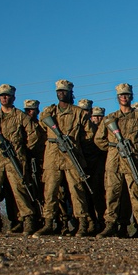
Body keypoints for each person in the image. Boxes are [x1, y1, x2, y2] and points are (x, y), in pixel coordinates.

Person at [97, 83, 138, 238]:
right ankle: (110, 225)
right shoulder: (110, 118)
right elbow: (99, 139)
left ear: (131, 97)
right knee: (112, 194)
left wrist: (135, 149)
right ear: (118, 98)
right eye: (121, 95)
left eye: (126, 95)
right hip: (114, 162)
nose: (124, 97)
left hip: (133, 162)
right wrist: (113, 147)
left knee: (137, 193)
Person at [36, 80, 96, 236]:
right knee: (50, 191)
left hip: (72, 156)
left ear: (70, 93)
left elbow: (89, 135)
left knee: (77, 190)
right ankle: (49, 222)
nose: (61, 93)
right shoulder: (48, 113)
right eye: (59, 91)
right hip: (52, 156)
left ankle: (82, 223)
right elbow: (41, 130)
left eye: (64, 91)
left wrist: (75, 144)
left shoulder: (79, 113)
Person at [0, 84, 40, 234]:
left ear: (13, 98)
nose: (4, 98)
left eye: (7, 95)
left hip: (16, 158)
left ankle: (27, 219)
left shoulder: (21, 116)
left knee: (20, 188)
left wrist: (20, 148)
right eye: (2, 95)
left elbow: (33, 136)